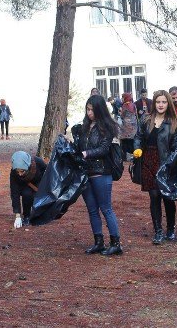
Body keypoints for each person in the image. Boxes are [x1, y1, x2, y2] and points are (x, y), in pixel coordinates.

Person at [76, 94, 123, 255]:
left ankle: (115, 243)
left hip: (101, 172)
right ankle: (98, 241)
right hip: (86, 172)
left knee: (106, 208)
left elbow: (104, 149)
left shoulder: (107, 127)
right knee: (92, 209)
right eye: (87, 109)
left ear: (99, 109)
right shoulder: (84, 127)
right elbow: (80, 146)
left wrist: (86, 153)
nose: (89, 113)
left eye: (92, 110)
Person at [134, 90, 177, 244]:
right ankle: (158, 231)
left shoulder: (173, 122)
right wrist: (137, 148)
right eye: (158, 102)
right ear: (154, 103)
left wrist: (172, 163)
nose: (161, 105)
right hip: (148, 161)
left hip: (165, 164)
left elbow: (175, 146)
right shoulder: (146, 119)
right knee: (154, 196)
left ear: (168, 103)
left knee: (167, 197)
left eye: (164, 102)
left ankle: (171, 229)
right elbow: (138, 137)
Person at [9, 151, 47, 228]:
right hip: (25, 185)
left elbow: (47, 171)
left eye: (22, 171)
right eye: (17, 171)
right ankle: (26, 216)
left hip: (39, 182)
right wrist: (17, 216)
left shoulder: (37, 162)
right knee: (27, 194)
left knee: (38, 196)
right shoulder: (14, 173)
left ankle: (41, 214)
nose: (19, 174)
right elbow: (14, 193)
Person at [119, 93, 138, 160]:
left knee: (125, 143)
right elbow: (136, 114)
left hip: (126, 128)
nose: (122, 98)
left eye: (123, 97)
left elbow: (122, 116)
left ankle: (125, 158)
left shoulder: (125, 105)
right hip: (133, 128)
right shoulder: (133, 105)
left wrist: (120, 113)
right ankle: (133, 157)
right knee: (132, 143)